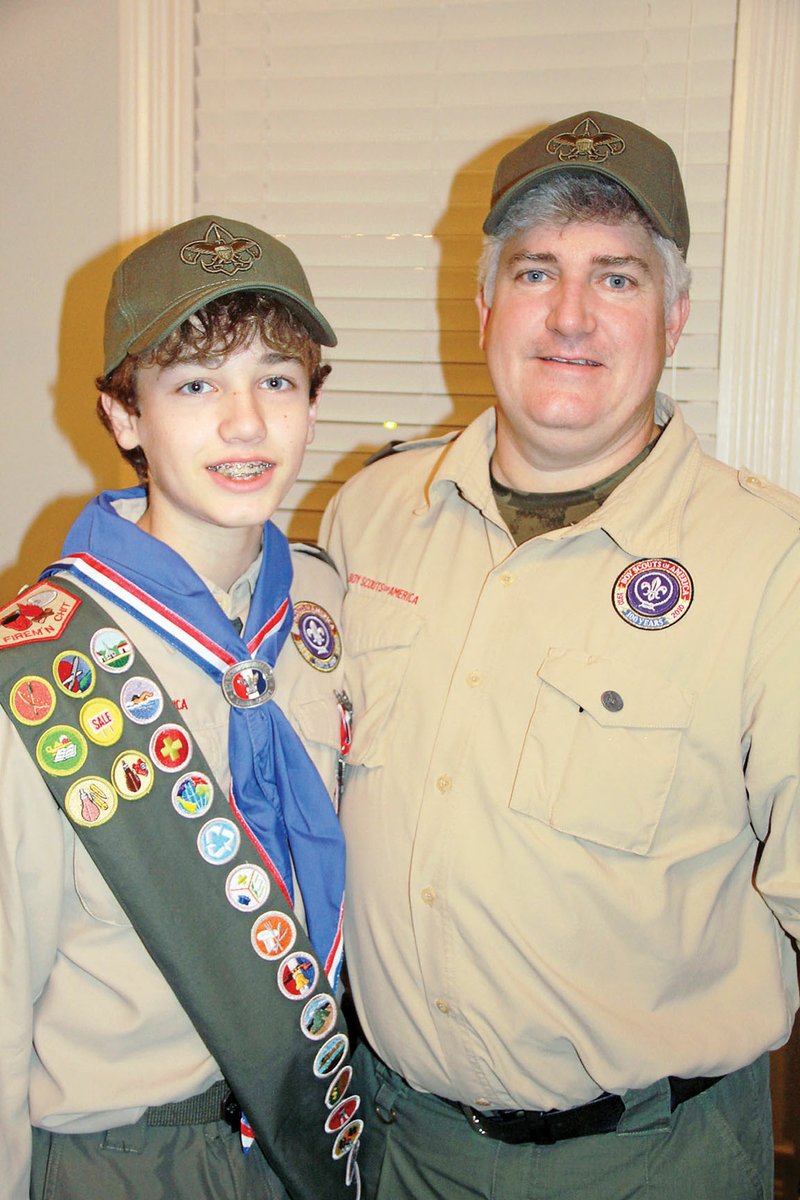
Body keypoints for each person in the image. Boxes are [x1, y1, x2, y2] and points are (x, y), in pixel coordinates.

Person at [321, 111, 800, 1200]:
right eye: (535, 272)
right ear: (483, 303)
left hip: (645, 1163)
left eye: (617, 278)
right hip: (401, 1147)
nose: (571, 316)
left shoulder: (771, 565)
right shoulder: (369, 518)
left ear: (674, 315)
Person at [0, 216, 364, 1200]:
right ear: (124, 416)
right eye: (195, 383)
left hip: (319, 1133)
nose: (244, 425)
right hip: (128, 1156)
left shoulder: (327, 611)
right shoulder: (38, 670)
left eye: (276, 380)